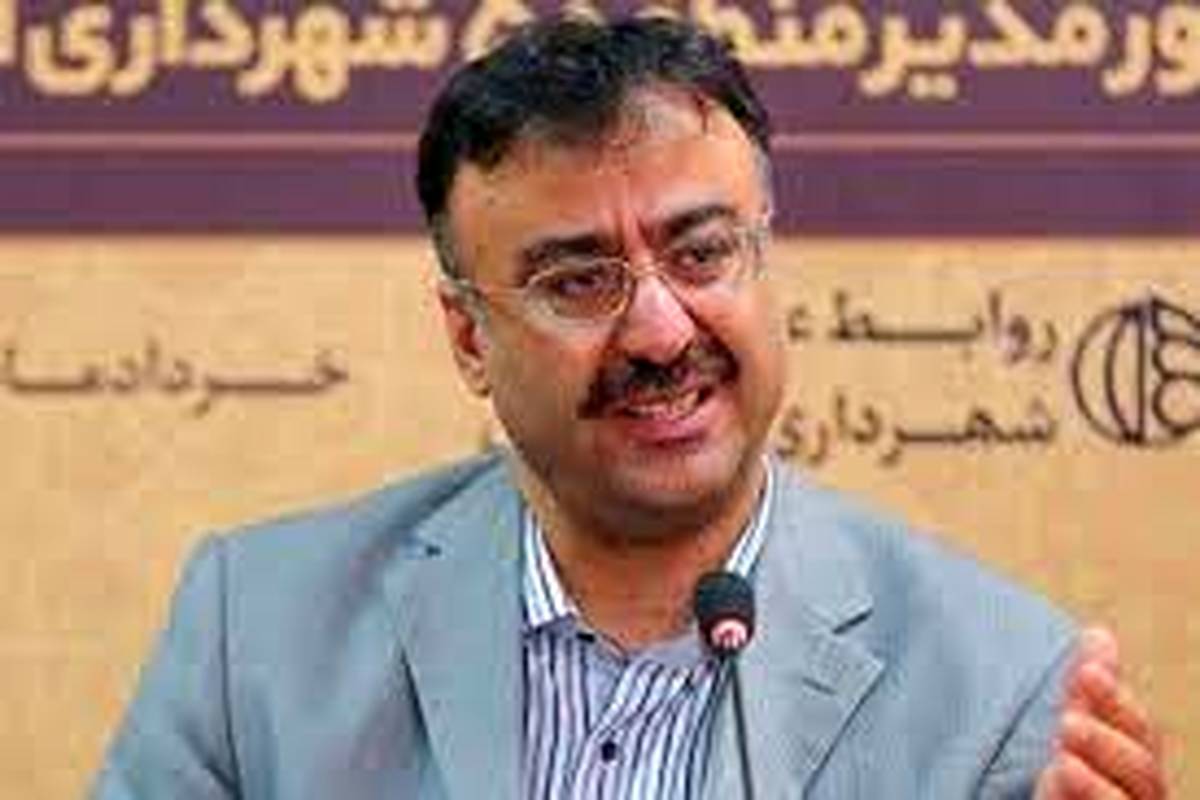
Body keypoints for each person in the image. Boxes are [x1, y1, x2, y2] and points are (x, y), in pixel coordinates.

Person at [92, 16, 1166, 799]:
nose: (659, 330)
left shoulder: (1001, 692)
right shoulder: (258, 631)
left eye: (701, 254)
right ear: (468, 337)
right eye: (578, 281)